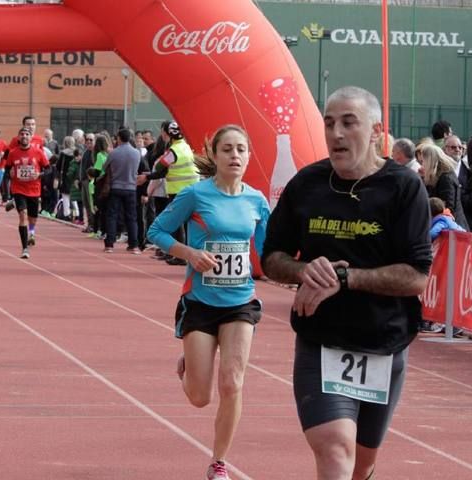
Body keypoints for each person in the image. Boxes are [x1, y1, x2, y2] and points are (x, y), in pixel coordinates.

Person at [261, 86, 432, 480]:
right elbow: (271, 258)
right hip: (322, 343)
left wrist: (345, 277)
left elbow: (416, 277)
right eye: (329, 123)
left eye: (348, 123)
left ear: (376, 130)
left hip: (384, 343)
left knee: (362, 463)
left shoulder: (404, 188)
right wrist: (305, 271)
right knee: (336, 449)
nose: (336, 133)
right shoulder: (307, 185)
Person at [147, 125, 270, 480]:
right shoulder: (195, 195)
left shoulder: (257, 201)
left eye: (241, 150)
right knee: (200, 397)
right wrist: (190, 253)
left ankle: (219, 462)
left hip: (240, 302)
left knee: (232, 383)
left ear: (249, 155)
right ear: (214, 155)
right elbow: (156, 231)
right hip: (200, 302)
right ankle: (191, 363)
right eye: (227, 149)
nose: (235, 156)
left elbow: (265, 251)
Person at [138, 120, 200, 265]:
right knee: (186, 224)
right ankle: (186, 254)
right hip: (192, 189)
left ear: (167, 134)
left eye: (163, 132)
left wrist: (145, 177)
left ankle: (180, 256)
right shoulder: (186, 146)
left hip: (177, 190)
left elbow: (160, 169)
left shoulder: (173, 151)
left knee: (175, 224)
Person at [6, 127, 50, 259]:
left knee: (33, 218)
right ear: (19, 137)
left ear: (31, 137)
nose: (24, 136)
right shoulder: (13, 153)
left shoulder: (38, 152)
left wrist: (39, 174)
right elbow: (7, 168)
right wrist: (10, 173)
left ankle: (32, 232)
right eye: (22, 134)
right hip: (18, 189)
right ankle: (25, 248)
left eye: (27, 134)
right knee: (23, 216)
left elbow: (48, 170)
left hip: (34, 190)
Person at [103, 128, 141, 254]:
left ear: (118, 138)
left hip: (116, 186)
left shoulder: (114, 153)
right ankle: (134, 244)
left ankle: (109, 244)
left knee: (112, 215)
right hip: (131, 187)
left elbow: (104, 167)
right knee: (131, 217)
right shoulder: (136, 153)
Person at [416, 143, 469, 230]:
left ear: (429, 161)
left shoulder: (446, 178)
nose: (421, 165)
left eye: (422, 162)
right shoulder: (435, 177)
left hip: (451, 228)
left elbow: (448, 206)